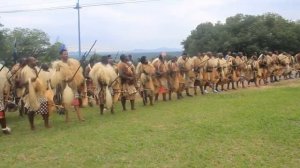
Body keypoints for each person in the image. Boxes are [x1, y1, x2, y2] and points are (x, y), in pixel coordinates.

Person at [51, 47, 85, 122]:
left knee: (76, 100)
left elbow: (76, 72)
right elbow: (56, 75)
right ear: (61, 55)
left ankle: (80, 117)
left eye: (67, 54)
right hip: (64, 85)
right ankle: (67, 117)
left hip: (73, 84)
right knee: (66, 101)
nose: (66, 55)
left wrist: (72, 78)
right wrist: (65, 80)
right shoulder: (58, 65)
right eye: (64, 54)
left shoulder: (72, 63)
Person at [20, 57, 50, 130]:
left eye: (35, 60)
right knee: (31, 110)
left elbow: (39, 79)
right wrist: (30, 80)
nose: (35, 61)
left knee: (45, 107)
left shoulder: (36, 68)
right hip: (30, 93)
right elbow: (21, 84)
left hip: (39, 92)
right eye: (33, 60)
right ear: (29, 62)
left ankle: (46, 124)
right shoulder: (24, 70)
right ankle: (32, 126)